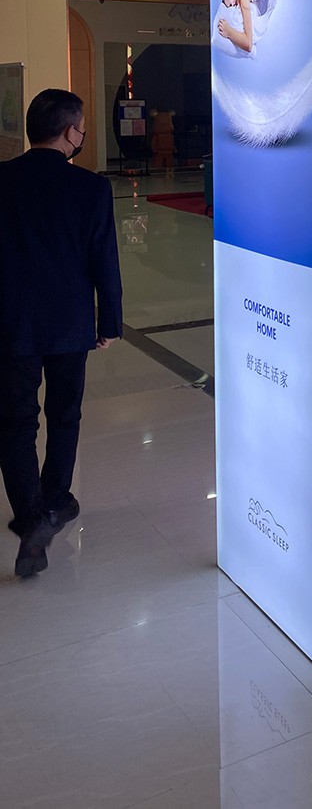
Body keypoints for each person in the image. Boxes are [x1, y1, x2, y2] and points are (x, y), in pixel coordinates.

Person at [0, 89, 122, 578]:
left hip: (11, 323)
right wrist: (108, 322)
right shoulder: (91, 188)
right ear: (71, 132)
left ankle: (31, 518)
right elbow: (104, 261)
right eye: (83, 128)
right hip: (70, 324)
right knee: (64, 414)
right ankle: (54, 501)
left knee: (16, 421)